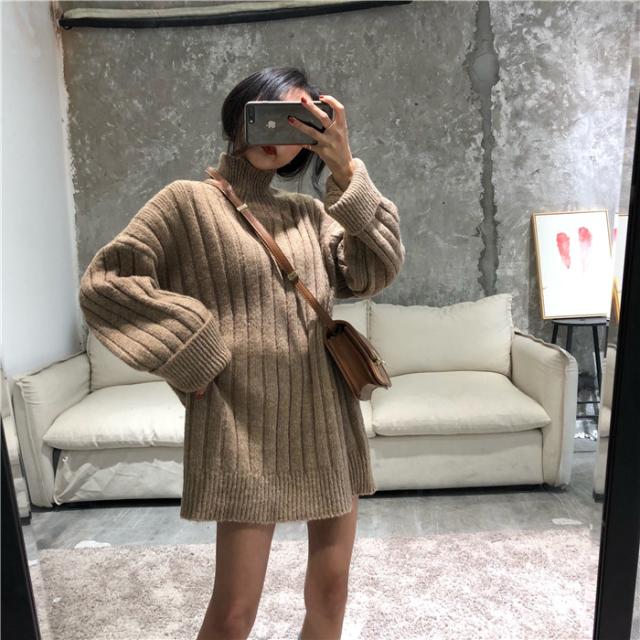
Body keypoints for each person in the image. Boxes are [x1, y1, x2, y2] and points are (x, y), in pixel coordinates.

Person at [78, 65, 405, 640]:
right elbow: (107, 283)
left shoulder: (310, 215)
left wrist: (345, 171)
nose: (282, 131)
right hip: (241, 426)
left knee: (331, 590)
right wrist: (194, 347)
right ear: (243, 115)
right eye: (274, 110)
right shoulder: (187, 203)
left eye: (302, 120)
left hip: (324, 418)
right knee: (234, 612)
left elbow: (373, 270)